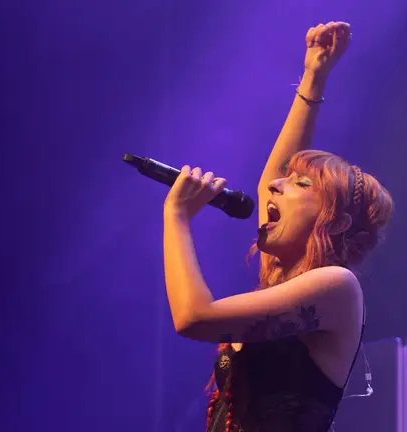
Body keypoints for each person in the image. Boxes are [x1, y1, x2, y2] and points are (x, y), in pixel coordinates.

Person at [161, 21, 394, 432]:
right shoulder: (281, 282)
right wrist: (313, 76)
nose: (275, 186)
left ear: (334, 219)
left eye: (301, 184)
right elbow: (272, 178)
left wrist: (177, 217)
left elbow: (193, 317)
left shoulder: (337, 286)